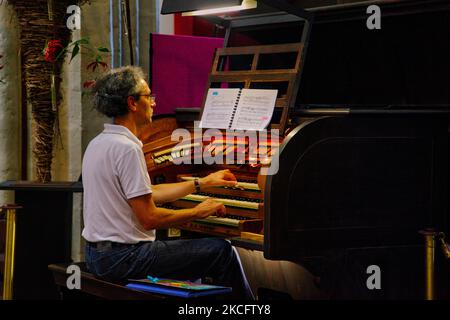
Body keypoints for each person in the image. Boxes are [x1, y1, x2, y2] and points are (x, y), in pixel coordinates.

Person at [81, 66, 254, 299]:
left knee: (195, 250)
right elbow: (149, 218)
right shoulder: (127, 149)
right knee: (221, 251)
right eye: (148, 96)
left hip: (98, 255)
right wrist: (198, 211)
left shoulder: (99, 143)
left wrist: (201, 183)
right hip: (125, 258)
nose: (153, 103)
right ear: (132, 103)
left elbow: (148, 192)